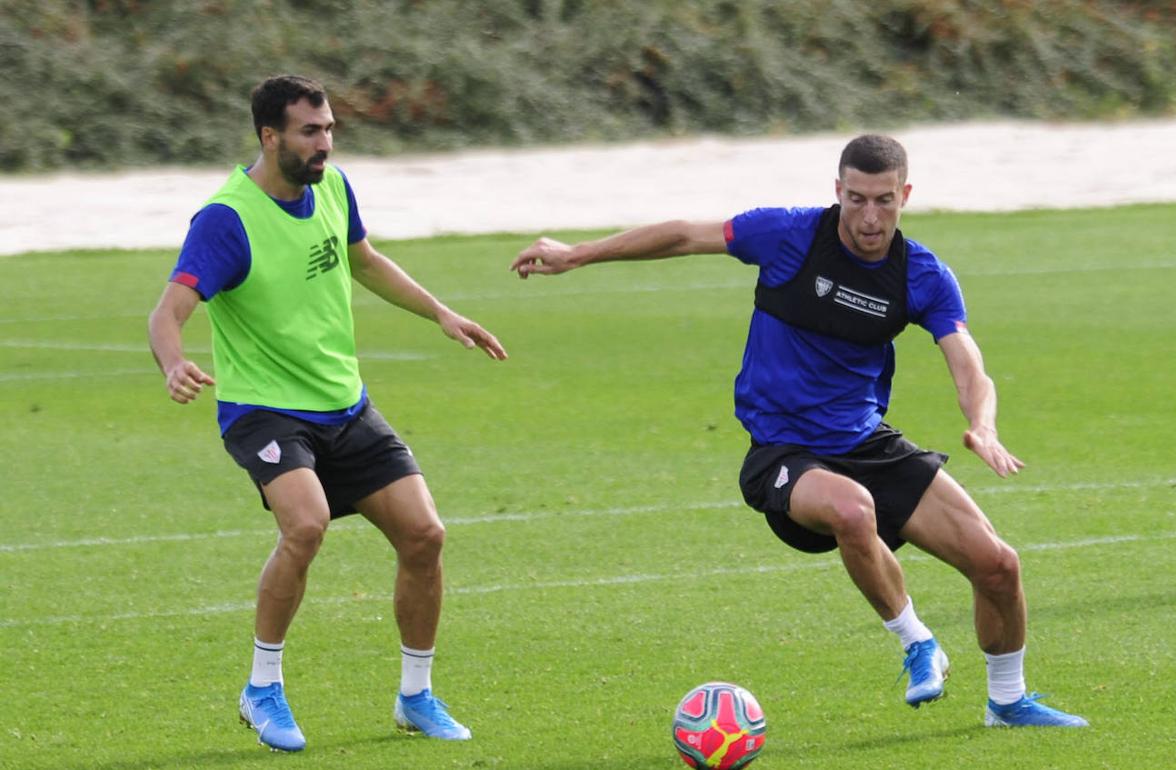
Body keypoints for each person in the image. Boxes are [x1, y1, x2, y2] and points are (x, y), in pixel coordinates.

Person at [510, 134, 1087, 728]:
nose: (869, 217)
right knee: (852, 510)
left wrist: (982, 426)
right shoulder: (788, 235)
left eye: (884, 201)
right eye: (856, 198)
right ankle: (917, 643)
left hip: (864, 440)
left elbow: (966, 360)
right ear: (837, 191)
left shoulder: (921, 274)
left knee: (997, 565)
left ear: (905, 195)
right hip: (783, 450)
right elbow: (685, 234)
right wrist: (578, 253)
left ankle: (1008, 701)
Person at [148, 75, 507, 752]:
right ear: (269, 136)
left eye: (330, 129)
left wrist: (441, 313)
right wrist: (173, 363)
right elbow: (168, 309)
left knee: (425, 536)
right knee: (306, 525)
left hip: (344, 404)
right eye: (311, 132)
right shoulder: (227, 220)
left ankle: (416, 696)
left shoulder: (333, 190)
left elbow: (363, 261)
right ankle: (262, 688)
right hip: (264, 410)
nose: (326, 144)